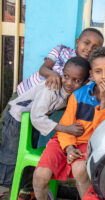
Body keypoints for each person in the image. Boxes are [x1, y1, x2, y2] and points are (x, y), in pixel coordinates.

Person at [33, 47, 105, 200]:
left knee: (80, 168)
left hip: (91, 144)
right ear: (91, 75)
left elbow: (103, 134)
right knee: (40, 175)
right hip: (64, 140)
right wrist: (69, 148)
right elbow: (65, 127)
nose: (103, 76)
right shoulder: (78, 95)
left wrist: (104, 101)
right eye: (98, 71)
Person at [0, 56, 91, 197]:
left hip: (34, 122)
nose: (69, 82)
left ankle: (26, 190)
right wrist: (65, 128)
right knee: (11, 157)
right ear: (62, 73)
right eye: (66, 76)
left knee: (30, 158)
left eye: (76, 80)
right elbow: (36, 117)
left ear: (85, 82)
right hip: (18, 118)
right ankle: (9, 192)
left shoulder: (75, 91)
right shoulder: (51, 88)